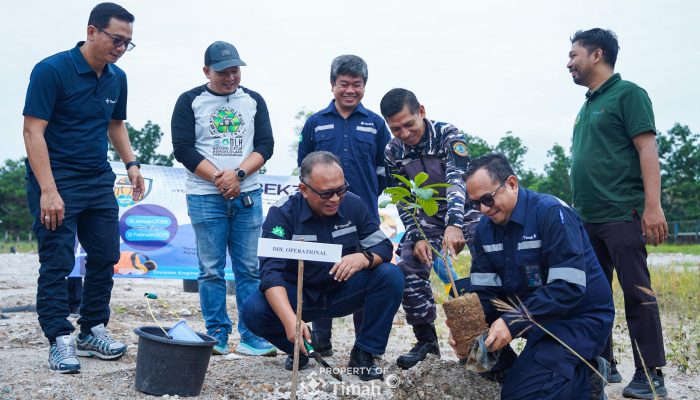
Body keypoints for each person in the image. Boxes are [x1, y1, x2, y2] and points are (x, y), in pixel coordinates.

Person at [22, 2, 142, 373]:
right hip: (56, 180)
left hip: (97, 178)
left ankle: (91, 330)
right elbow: (32, 130)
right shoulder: (51, 70)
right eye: (116, 39)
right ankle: (59, 338)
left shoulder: (116, 77)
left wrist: (131, 163)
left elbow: (115, 124)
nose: (120, 48)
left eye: (127, 43)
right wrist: (48, 190)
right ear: (92, 31)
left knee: (105, 255)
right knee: (58, 261)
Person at [451, 153, 614, 399]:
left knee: (521, 396)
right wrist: (466, 329)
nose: (483, 209)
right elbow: (485, 293)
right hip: (533, 316)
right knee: (466, 306)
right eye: (475, 203)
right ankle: (521, 369)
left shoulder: (552, 214)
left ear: (512, 184)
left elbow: (567, 287)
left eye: (487, 198)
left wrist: (512, 321)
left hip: (577, 319)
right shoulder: (485, 229)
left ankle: (587, 375)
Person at [242, 151, 404, 381]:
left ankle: (364, 353)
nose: (335, 199)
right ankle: (300, 349)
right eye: (326, 193)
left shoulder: (353, 205)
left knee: (390, 275)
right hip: (299, 297)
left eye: (340, 189)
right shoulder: (282, 214)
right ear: (304, 189)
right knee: (253, 310)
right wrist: (290, 320)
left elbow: (384, 248)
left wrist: (363, 258)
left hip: (343, 290)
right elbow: (271, 274)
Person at [567, 28, 668, 398]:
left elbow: (647, 150)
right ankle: (601, 364)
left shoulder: (629, 95)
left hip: (622, 213)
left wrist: (652, 207)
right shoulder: (587, 105)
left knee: (637, 293)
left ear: (597, 55)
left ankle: (650, 373)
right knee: (592, 295)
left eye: (573, 55)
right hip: (587, 218)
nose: (568, 63)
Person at [171, 41, 276, 357]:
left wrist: (238, 175)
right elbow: (184, 148)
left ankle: (252, 334)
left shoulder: (253, 101)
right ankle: (216, 333)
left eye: (235, 70)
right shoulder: (190, 101)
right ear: (207, 71)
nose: (231, 77)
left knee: (249, 269)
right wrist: (220, 177)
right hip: (205, 196)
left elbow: (266, 145)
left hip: (248, 196)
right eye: (223, 72)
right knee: (211, 270)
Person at [297, 55, 391, 356]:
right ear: (332, 85)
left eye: (357, 85)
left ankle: (363, 347)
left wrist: (366, 197)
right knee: (322, 273)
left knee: (367, 272)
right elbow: (304, 165)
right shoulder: (315, 123)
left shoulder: (376, 124)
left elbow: (384, 168)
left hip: (362, 216)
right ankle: (320, 343)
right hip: (321, 216)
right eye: (344, 84)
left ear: (365, 86)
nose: (350, 90)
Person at [380, 88, 481, 369]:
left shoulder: (448, 134)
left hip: (466, 210)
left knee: (488, 254)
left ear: (421, 111)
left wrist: (455, 224)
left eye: (409, 124)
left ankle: (481, 341)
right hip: (427, 215)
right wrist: (415, 235)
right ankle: (426, 341)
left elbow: (457, 180)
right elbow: (402, 199)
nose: (404, 134)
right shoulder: (392, 151)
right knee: (409, 262)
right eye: (396, 128)